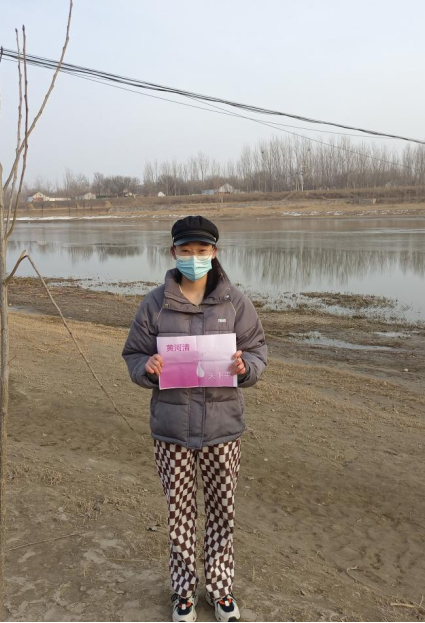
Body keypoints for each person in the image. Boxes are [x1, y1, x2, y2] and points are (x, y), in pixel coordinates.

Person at [122, 215, 267, 622]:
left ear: (214, 252)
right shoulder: (154, 304)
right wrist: (147, 367)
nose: (194, 258)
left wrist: (246, 368)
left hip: (223, 429)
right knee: (180, 514)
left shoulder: (235, 302)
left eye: (202, 251)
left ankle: (220, 589)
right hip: (172, 431)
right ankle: (183, 590)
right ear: (173, 252)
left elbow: (258, 350)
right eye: (186, 251)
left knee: (222, 510)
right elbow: (133, 354)